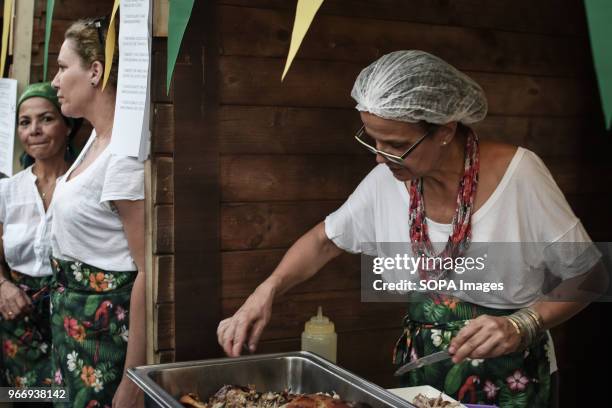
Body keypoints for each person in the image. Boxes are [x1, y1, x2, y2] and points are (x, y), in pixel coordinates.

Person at [217, 51, 604, 407]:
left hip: (511, 378)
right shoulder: (386, 178)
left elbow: (592, 276)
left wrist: (524, 323)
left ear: (446, 130)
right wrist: (266, 289)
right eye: (372, 139)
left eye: (396, 143)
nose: (380, 155)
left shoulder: (521, 176)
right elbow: (323, 240)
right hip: (422, 378)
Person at [50, 17, 145, 408]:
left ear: (95, 71)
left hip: (103, 340)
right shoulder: (93, 140)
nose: (55, 81)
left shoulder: (122, 156)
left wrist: (133, 382)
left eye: (61, 67)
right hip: (72, 332)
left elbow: (147, 273)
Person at [0, 82, 77, 390]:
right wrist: (3, 286)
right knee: (29, 400)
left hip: (72, 320)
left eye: (46, 119)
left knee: (69, 397)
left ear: (67, 125)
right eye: (25, 122)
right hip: (18, 319)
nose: (34, 130)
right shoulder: (7, 190)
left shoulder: (82, 184)